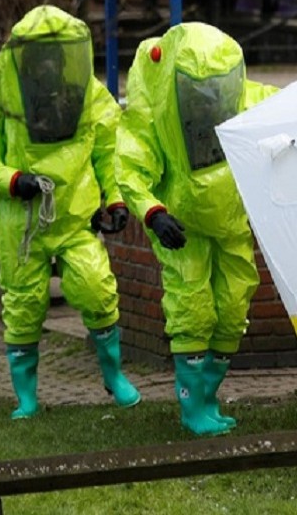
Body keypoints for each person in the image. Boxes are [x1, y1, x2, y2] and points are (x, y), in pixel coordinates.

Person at [0, 4, 140, 419]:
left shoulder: (87, 92)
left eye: (57, 56)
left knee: (96, 289)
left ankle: (114, 375)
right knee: (23, 305)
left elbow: (110, 150)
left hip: (75, 217)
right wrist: (11, 179)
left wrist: (115, 200)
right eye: (41, 56)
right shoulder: (0, 93)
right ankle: (27, 396)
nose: (50, 65)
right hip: (23, 224)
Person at [115, 22, 277, 436]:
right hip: (182, 224)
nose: (208, 99)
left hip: (228, 220)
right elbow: (130, 168)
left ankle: (207, 397)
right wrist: (154, 213)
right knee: (193, 306)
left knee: (235, 300)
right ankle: (192, 409)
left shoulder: (238, 96)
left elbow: (286, 111)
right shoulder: (157, 110)